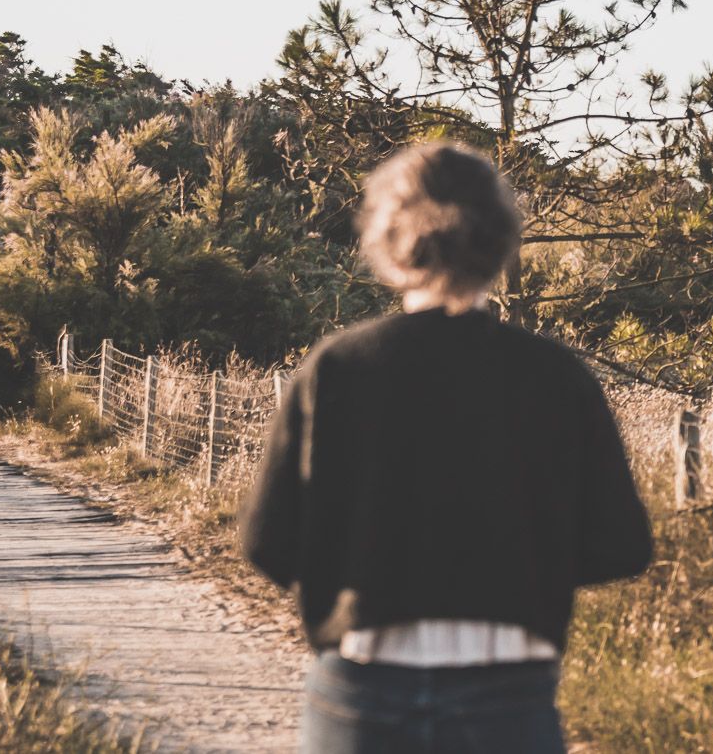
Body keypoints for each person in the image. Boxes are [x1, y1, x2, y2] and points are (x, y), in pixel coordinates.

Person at [241, 142, 653, 753]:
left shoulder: (337, 368)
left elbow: (266, 542)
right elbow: (622, 546)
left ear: (386, 237)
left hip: (361, 690)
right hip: (508, 697)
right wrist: (525, 570)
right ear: (500, 238)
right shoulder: (557, 376)